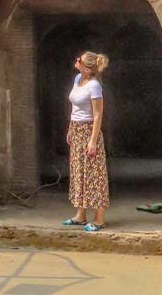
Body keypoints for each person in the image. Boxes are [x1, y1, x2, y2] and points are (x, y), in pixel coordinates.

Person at [62, 51, 110, 232]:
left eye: (79, 59)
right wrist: (70, 128)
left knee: (94, 173)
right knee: (78, 171)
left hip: (90, 130)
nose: (76, 60)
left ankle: (99, 218)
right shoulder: (77, 80)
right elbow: (74, 107)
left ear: (87, 67)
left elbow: (98, 114)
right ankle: (80, 214)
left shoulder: (94, 86)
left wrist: (93, 140)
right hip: (76, 129)